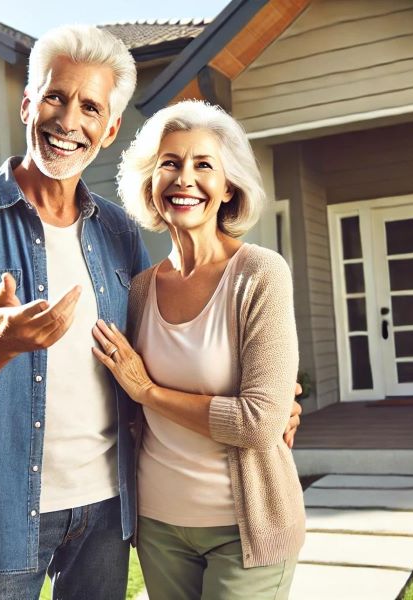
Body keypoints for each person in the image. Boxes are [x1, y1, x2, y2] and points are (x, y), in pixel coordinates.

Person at [0, 27, 301, 599]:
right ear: (28, 104)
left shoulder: (117, 232)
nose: (69, 121)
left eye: (91, 107)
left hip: (109, 513)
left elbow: (158, 358)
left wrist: (273, 401)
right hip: (4, 511)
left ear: (110, 129)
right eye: (55, 97)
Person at [92, 100, 305, 600]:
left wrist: (148, 391)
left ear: (228, 185)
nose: (184, 178)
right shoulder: (140, 289)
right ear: (150, 183)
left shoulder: (260, 274)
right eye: (170, 163)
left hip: (245, 528)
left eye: (203, 165)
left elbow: (259, 422)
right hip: (159, 525)